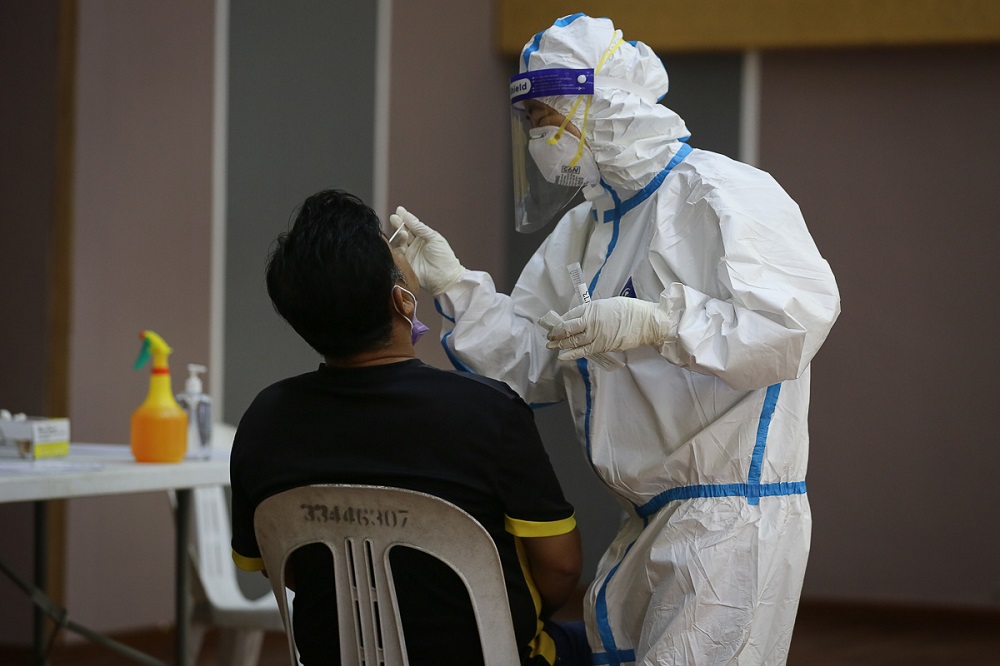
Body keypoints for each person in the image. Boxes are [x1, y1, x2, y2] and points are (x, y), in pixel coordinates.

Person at [387, 13, 841, 666]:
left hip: (729, 523)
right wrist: (455, 285)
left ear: (607, 100)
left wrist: (660, 322)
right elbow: (535, 357)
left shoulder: (720, 193)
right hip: (646, 521)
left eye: (550, 114)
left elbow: (792, 324)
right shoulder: (585, 232)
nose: (540, 135)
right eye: (532, 120)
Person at [229, 189, 592, 665]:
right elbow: (562, 567)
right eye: (395, 252)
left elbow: (286, 565)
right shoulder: (488, 412)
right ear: (403, 300)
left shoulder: (264, 421)